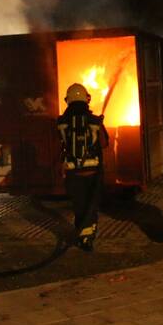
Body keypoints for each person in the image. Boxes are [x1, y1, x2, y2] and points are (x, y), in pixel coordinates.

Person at [57, 83, 108, 251]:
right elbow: (105, 143)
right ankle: (87, 238)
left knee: (79, 205)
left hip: (73, 172)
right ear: (86, 98)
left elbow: (59, 145)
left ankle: (83, 234)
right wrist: (100, 125)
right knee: (91, 205)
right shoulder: (94, 120)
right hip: (93, 171)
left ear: (68, 100)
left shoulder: (61, 122)